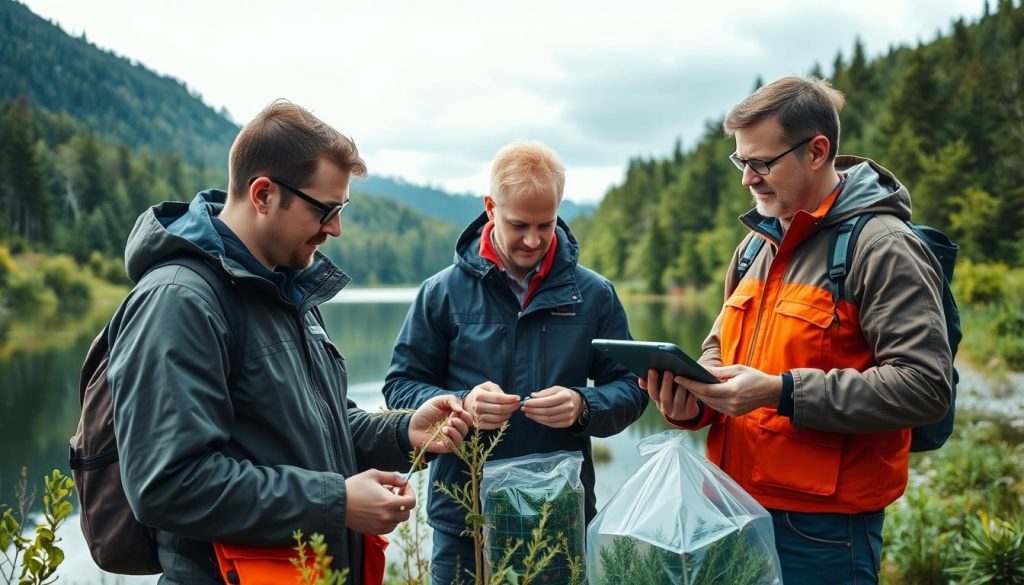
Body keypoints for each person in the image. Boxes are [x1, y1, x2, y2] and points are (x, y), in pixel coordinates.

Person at [107, 100, 472, 584]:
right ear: (262, 194)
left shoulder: (287, 285)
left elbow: (324, 423)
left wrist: (404, 432)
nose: (335, 227)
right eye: (325, 209)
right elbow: (168, 484)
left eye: (341, 209)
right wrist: (337, 502)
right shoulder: (179, 301)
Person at [643, 76, 953, 585]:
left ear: (817, 151)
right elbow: (718, 347)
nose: (747, 178)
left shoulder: (882, 247)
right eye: (741, 161)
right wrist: (693, 401)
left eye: (761, 162)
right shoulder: (753, 248)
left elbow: (924, 386)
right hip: (730, 510)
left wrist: (778, 392)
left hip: (825, 536)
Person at [382, 140, 648, 585]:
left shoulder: (594, 294)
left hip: (561, 514)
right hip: (465, 519)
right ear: (490, 208)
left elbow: (631, 388)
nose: (532, 239)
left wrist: (584, 406)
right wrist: (462, 404)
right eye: (519, 224)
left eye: (545, 224)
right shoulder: (441, 293)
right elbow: (401, 388)